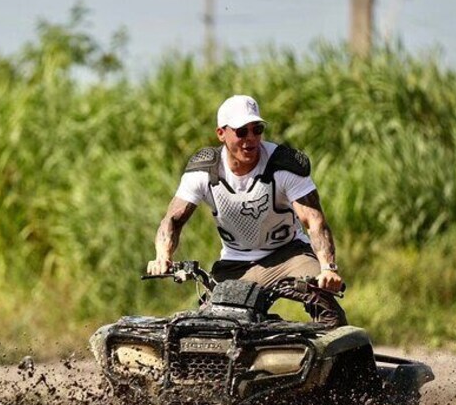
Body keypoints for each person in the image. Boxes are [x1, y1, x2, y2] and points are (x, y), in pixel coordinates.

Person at [146, 94, 347, 327]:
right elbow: (173, 219)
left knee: (325, 303)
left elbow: (314, 221)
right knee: (209, 326)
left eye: (257, 129)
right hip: (236, 264)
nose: (250, 139)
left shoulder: (284, 165)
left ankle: (344, 361)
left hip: (289, 255)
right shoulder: (204, 171)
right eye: (241, 132)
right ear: (221, 133)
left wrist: (327, 268)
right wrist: (163, 256)